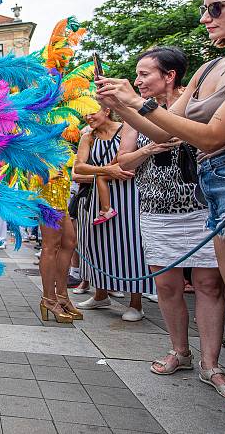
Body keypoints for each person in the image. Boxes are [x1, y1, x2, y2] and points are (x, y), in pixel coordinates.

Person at [97, 0, 225, 384]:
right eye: (203, 9)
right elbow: (165, 133)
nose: (205, 18)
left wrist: (139, 105)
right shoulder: (210, 69)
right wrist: (122, 104)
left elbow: (211, 136)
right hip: (216, 185)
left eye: (216, 7)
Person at [116, 46, 225, 401]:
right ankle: (180, 352)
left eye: (145, 74)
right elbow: (123, 162)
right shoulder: (133, 116)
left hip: (200, 208)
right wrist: (147, 151)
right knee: (168, 286)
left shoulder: (197, 103)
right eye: (137, 75)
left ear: (169, 76)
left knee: (209, 284)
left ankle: (211, 364)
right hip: (156, 210)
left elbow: (188, 137)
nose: (138, 81)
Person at [72, 108, 153, 321]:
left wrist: (100, 171)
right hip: (99, 196)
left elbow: (131, 160)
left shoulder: (127, 129)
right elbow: (78, 168)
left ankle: (136, 303)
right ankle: (100, 295)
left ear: (107, 111)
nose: (89, 117)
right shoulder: (88, 137)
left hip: (129, 194)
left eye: (92, 113)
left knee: (132, 245)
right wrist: (107, 171)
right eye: (86, 115)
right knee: (99, 244)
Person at [33, 157, 80, 323]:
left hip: (60, 193)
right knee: (50, 246)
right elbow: (23, 153)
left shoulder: (59, 134)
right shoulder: (35, 131)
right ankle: (49, 299)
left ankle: (61, 295)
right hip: (47, 193)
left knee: (69, 242)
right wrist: (44, 172)